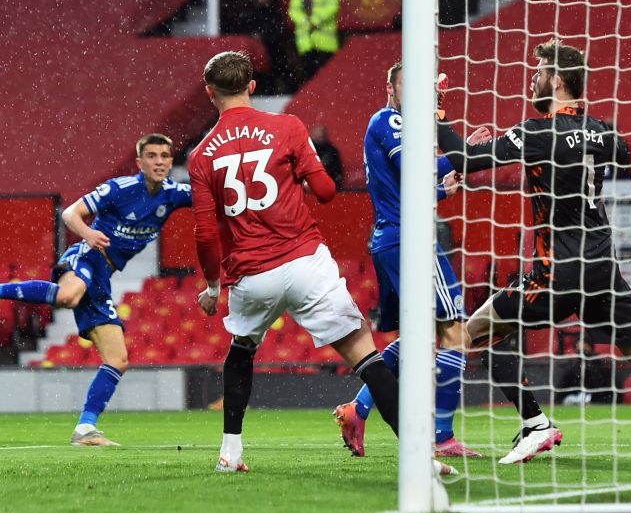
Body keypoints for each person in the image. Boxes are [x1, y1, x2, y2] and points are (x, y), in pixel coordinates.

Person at [436, 38, 631, 464]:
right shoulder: (605, 131)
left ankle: (535, 424)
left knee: (473, 333)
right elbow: (625, 156)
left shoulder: (535, 134)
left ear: (557, 80)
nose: (532, 79)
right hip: (603, 268)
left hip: (558, 270)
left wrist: (437, 115)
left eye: (539, 72)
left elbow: (465, 158)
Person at [189, 50, 455, 475]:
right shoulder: (287, 127)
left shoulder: (201, 155)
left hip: (252, 275)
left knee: (241, 351)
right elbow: (328, 191)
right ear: (252, 86)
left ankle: (230, 452)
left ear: (209, 92)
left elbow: (206, 232)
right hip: (304, 263)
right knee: (366, 357)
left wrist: (213, 286)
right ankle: (420, 458)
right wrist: (301, 174)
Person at [0, 134, 192, 446]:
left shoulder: (173, 194)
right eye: (152, 156)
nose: (159, 161)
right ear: (140, 162)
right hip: (87, 256)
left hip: (103, 276)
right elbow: (70, 214)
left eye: (165, 156)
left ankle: (85, 430)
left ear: (172, 162)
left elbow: (216, 196)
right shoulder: (120, 188)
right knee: (68, 295)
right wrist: (89, 233)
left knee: (118, 359)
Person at [334, 61, 482, 460]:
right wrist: (465, 152)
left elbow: (407, 186)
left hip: (391, 238)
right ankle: (442, 437)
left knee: (415, 339)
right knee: (454, 332)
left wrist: (443, 190)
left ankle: (357, 408)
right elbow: (415, 167)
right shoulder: (390, 121)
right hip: (410, 240)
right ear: (390, 86)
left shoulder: (389, 125)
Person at [288, 0, 340, 83]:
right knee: (309, 79)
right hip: (306, 42)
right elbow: (293, 10)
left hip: (325, 43)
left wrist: (315, 20)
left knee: (326, 79)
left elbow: (333, 6)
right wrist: (306, 21)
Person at [237, 0, 292, 95]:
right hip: (260, 55)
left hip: (274, 50)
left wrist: (263, 35)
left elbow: (278, 31)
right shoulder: (252, 15)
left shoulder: (274, 14)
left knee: (277, 73)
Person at [556, 331, 622, 405]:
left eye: (585, 347)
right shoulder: (572, 371)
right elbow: (560, 395)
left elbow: (613, 395)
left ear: (591, 347)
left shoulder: (603, 370)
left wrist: (594, 403)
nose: (583, 351)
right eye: (579, 350)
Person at [309, 124, 345, 190]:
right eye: (316, 136)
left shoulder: (331, 151)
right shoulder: (308, 150)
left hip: (329, 187)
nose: (318, 138)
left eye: (320, 136)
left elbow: (336, 172)